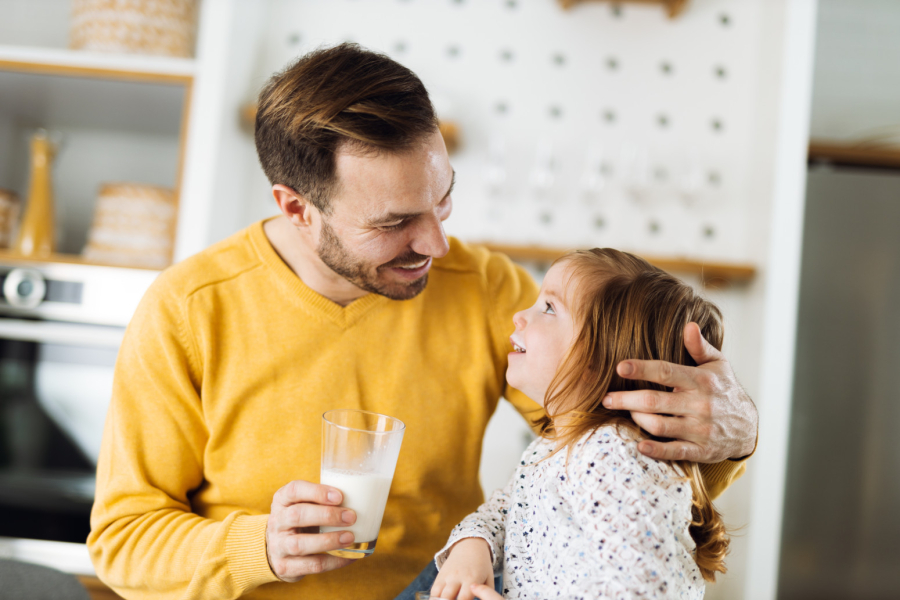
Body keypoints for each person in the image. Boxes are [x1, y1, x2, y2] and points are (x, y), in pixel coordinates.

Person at [87, 44, 757, 600]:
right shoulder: (189, 308)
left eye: (443, 201)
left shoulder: (487, 289)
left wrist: (729, 436)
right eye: (394, 223)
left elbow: (603, 451)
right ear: (297, 208)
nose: (436, 243)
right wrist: (255, 544)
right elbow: (123, 541)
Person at [429, 249, 730, 600]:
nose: (519, 316)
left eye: (549, 308)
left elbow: (643, 591)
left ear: (602, 356)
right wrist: (473, 545)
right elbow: (504, 511)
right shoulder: (557, 446)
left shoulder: (612, 456)